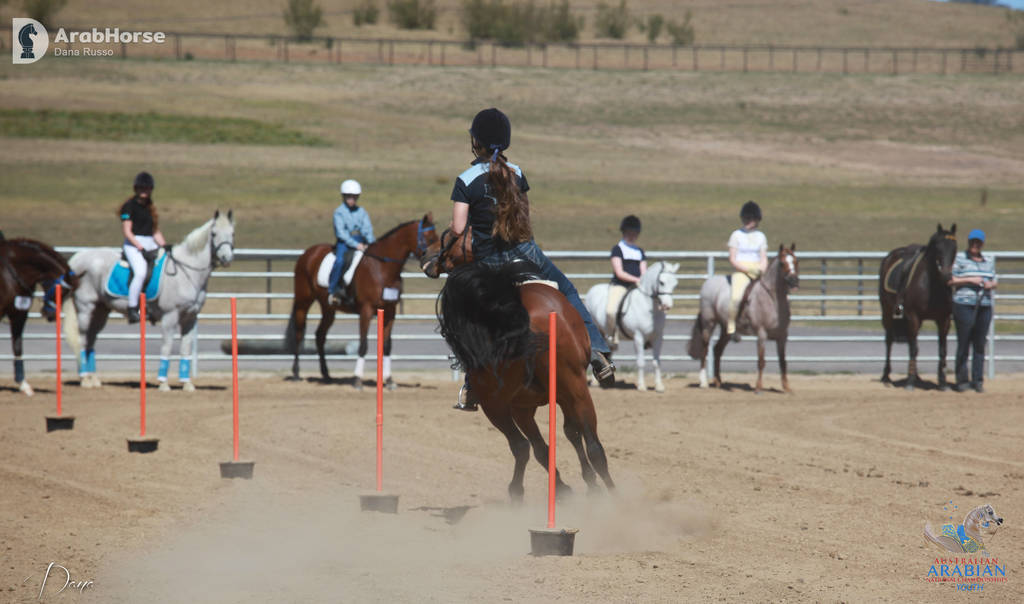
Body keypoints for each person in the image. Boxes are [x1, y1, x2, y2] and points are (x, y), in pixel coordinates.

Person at [450, 108, 615, 410]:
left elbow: (459, 229)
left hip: (490, 260)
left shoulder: (466, 179)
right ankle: (599, 352)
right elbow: (522, 216)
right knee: (567, 291)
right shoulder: (517, 173)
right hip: (527, 251)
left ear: (477, 142)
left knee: (468, 314)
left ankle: (471, 383)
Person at [949, 229, 997, 393]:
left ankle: (977, 380)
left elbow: (994, 279)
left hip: (984, 305)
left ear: (982, 243)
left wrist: (991, 284)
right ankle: (961, 379)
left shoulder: (988, 261)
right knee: (964, 342)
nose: (974, 245)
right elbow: (951, 280)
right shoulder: (959, 259)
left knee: (979, 343)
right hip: (964, 304)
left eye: (978, 242)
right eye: (972, 242)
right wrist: (970, 280)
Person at [119, 171, 166, 324]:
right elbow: (127, 231)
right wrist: (139, 246)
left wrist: (165, 246)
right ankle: (133, 308)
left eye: (147, 188)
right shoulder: (129, 206)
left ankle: (153, 305)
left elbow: (155, 231)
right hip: (133, 244)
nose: (144, 191)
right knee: (140, 272)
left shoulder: (150, 207)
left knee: (162, 270)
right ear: (136, 189)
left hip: (150, 242)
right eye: (141, 188)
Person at [328, 179, 375, 307]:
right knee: (339, 262)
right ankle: (333, 290)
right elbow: (341, 233)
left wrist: (372, 243)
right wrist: (356, 245)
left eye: (354, 197)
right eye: (349, 196)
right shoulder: (339, 212)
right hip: (345, 243)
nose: (352, 199)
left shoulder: (362, 212)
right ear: (344, 197)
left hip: (361, 240)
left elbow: (367, 229)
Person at [726, 201, 768, 341]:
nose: (750, 222)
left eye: (753, 219)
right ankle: (731, 326)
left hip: (757, 269)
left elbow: (764, 257)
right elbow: (732, 258)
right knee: (736, 297)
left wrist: (761, 268)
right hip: (741, 270)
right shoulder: (736, 235)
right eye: (748, 219)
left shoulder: (761, 236)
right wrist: (747, 269)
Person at [606, 215, 647, 348]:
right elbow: (619, 272)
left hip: (637, 286)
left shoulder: (639, 251)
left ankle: (650, 336)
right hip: (620, 285)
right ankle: (611, 336)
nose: (632, 236)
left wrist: (642, 281)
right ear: (624, 232)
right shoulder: (617, 249)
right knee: (610, 311)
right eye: (630, 233)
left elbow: (644, 270)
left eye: (635, 233)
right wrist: (637, 279)